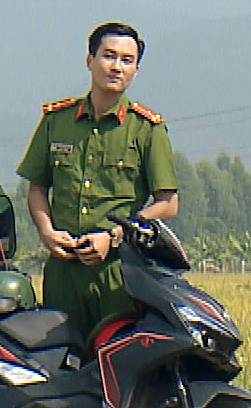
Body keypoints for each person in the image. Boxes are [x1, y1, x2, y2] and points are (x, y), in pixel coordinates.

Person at [16, 21, 180, 347]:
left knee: (114, 365)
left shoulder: (147, 129)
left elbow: (168, 203)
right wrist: (47, 232)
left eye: (127, 60)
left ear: (136, 70)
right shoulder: (56, 120)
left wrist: (114, 237)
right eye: (109, 56)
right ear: (89, 61)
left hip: (118, 274)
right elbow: (37, 188)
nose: (117, 67)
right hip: (63, 271)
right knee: (58, 365)